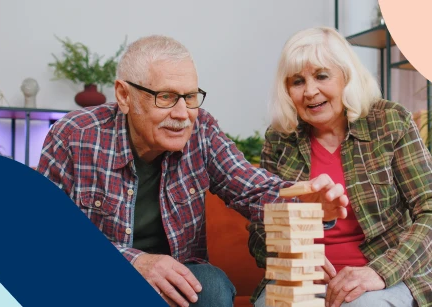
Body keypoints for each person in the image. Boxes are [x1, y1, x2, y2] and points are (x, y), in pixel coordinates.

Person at [37, 34, 350, 307]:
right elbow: (46, 235)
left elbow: (252, 188)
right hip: (96, 274)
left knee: (211, 287)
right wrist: (136, 262)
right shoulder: (73, 136)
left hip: (181, 276)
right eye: (166, 97)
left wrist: (307, 204)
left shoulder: (202, 130)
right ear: (124, 96)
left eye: (189, 97)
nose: (182, 114)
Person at [250, 27, 432, 307]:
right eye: (297, 81)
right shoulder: (279, 139)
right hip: (302, 279)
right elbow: (261, 226)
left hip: (385, 274)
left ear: (347, 77)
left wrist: (380, 271)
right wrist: (294, 255)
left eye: (322, 76)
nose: (310, 91)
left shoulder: (389, 122)